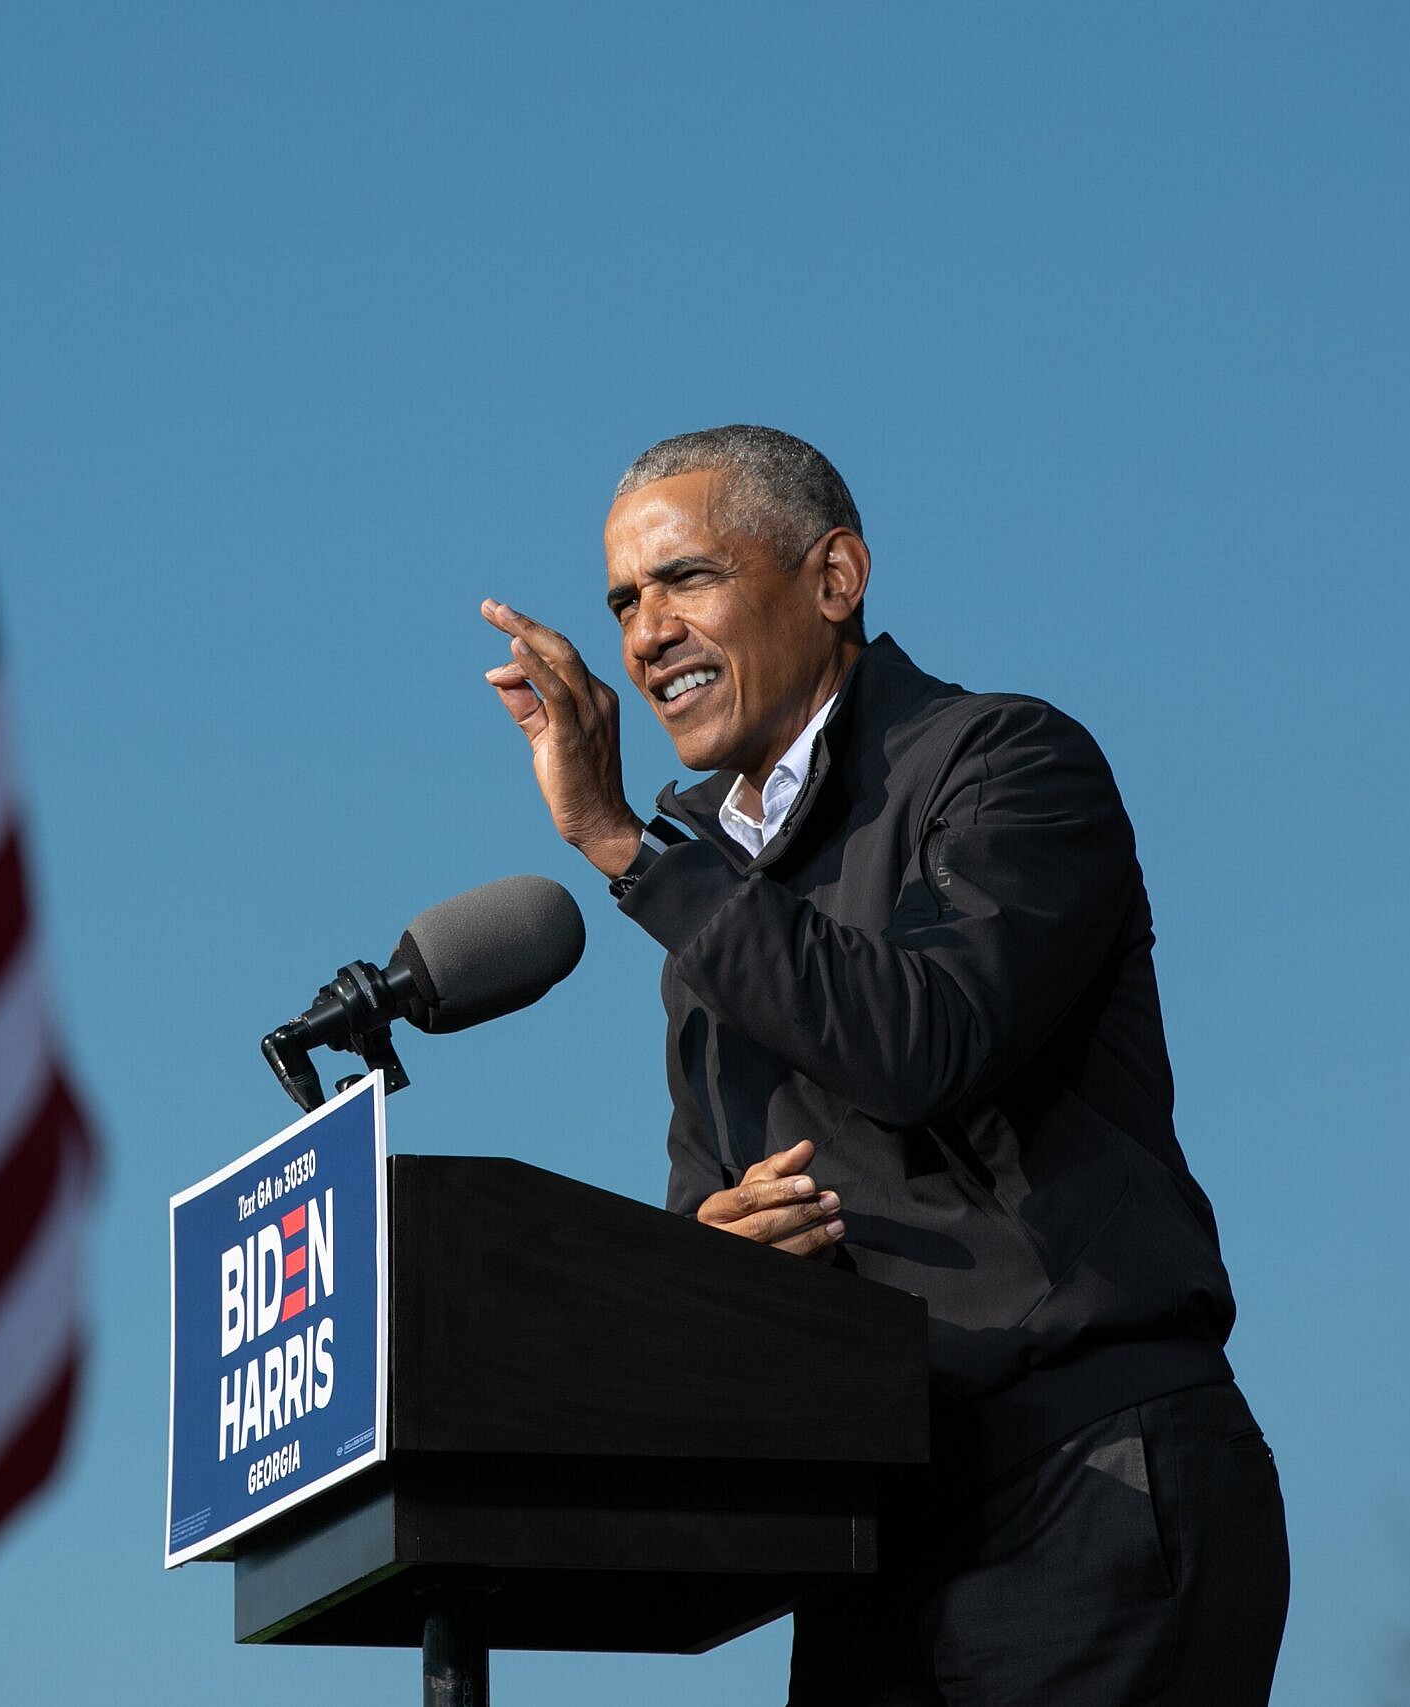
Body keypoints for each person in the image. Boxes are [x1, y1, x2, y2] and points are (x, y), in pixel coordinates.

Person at [480, 425, 1288, 1704]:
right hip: (867, 1541)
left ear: (833, 577)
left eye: (685, 579)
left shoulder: (1005, 763)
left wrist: (632, 852)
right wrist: (718, 1259)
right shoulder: (705, 900)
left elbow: (924, 1041)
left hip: (1084, 1480)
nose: (644, 635)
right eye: (625, 602)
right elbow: (706, 1202)